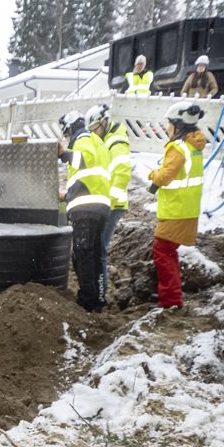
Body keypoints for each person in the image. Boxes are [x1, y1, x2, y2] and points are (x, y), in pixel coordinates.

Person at [147, 101, 208, 310]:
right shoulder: (193, 145)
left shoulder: (178, 147)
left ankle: (171, 300)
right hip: (187, 207)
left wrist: (152, 174)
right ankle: (170, 293)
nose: (167, 128)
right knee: (168, 250)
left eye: (170, 124)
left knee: (162, 250)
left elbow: (164, 177)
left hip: (177, 209)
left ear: (178, 125)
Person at [58, 109, 110, 312]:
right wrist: (68, 196)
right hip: (100, 205)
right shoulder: (98, 142)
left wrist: (64, 154)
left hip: (86, 208)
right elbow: (90, 177)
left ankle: (88, 300)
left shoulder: (82, 139)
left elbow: (84, 159)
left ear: (71, 128)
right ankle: (98, 298)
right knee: (94, 253)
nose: (67, 138)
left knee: (83, 253)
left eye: (67, 134)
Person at [87, 103, 130, 301]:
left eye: (95, 128)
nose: (93, 133)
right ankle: (98, 292)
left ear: (104, 122)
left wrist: (108, 202)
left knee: (99, 249)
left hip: (112, 205)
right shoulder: (107, 139)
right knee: (97, 247)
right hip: (107, 204)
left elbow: (122, 173)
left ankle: (100, 296)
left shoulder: (116, 142)